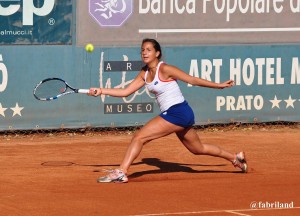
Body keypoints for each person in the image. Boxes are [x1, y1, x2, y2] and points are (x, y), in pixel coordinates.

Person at [88, 38, 248, 183]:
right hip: (180, 113)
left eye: (148, 49)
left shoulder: (164, 69)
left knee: (139, 137)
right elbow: (125, 92)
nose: (144, 52)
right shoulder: (144, 73)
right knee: (198, 149)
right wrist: (101, 90)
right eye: (142, 50)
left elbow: (191, 79)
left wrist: (218, 85)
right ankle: (236, 158)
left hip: (177, 111)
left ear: (157, 53)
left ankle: (121, 172)